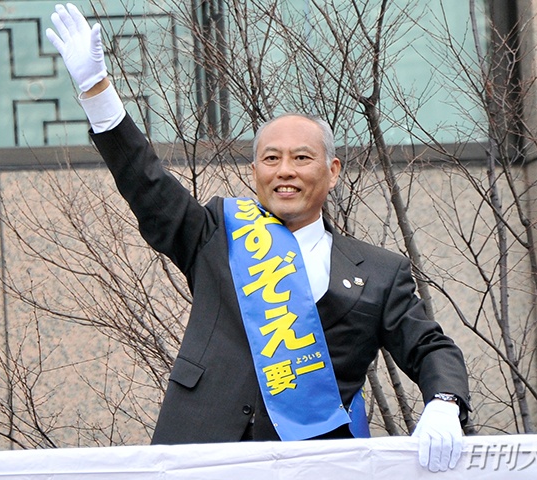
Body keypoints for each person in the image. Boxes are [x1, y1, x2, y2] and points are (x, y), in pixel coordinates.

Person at [46, 3, 470, 473]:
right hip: (199, 455)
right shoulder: (218, 233)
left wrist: (444, 404)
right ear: (254, 172)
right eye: (271, 159)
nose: (284, 171)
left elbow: (430, 347)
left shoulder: (380, 272)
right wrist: (97, 91)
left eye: (301, 158)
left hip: (308, 463)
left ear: (332, 172)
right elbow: (147, 183)